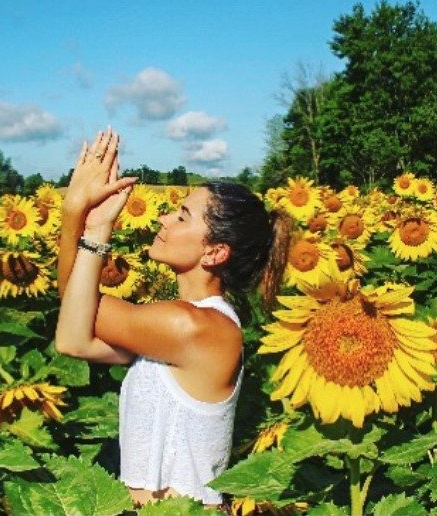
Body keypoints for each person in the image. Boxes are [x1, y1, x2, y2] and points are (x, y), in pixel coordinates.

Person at [55, 127, 291, 508]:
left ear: (214, 252)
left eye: (181, 217)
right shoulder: (180, 330)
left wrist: (83, 219)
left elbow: (74, 314)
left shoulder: (190, 327)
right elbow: (76, 332)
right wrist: (80, 218)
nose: (163, 219)